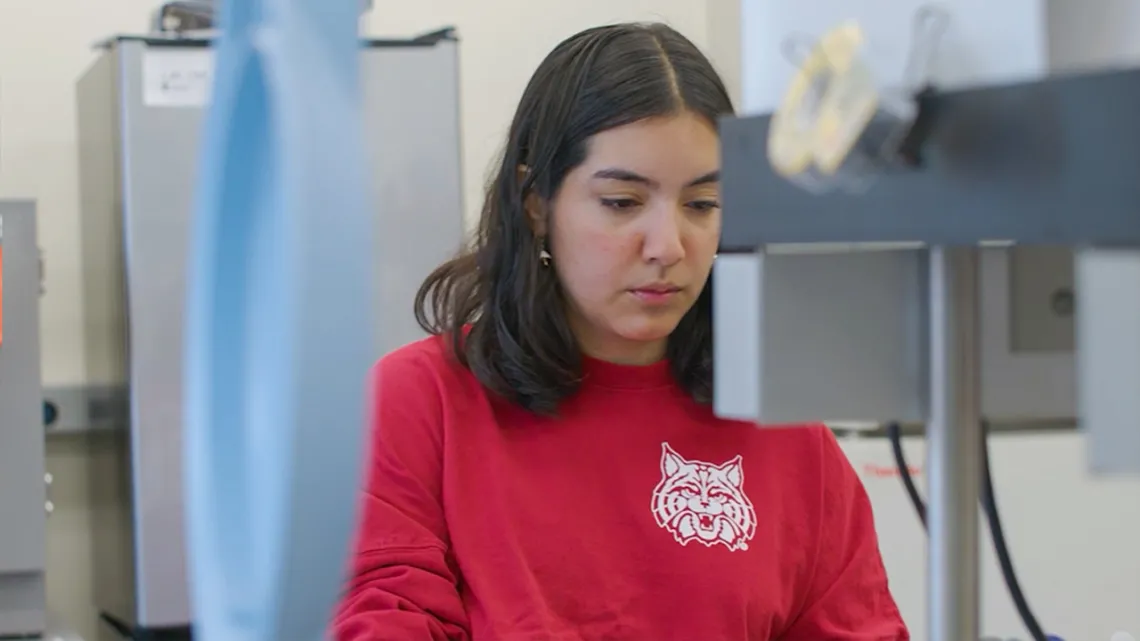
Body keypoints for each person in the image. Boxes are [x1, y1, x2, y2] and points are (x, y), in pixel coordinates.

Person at [333, 21, 907, 641]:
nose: (668, 247)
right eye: (622, 203)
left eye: (701, 205)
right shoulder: (421, 405)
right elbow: (379, 618)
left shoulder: (785, 429)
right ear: (537, 204)